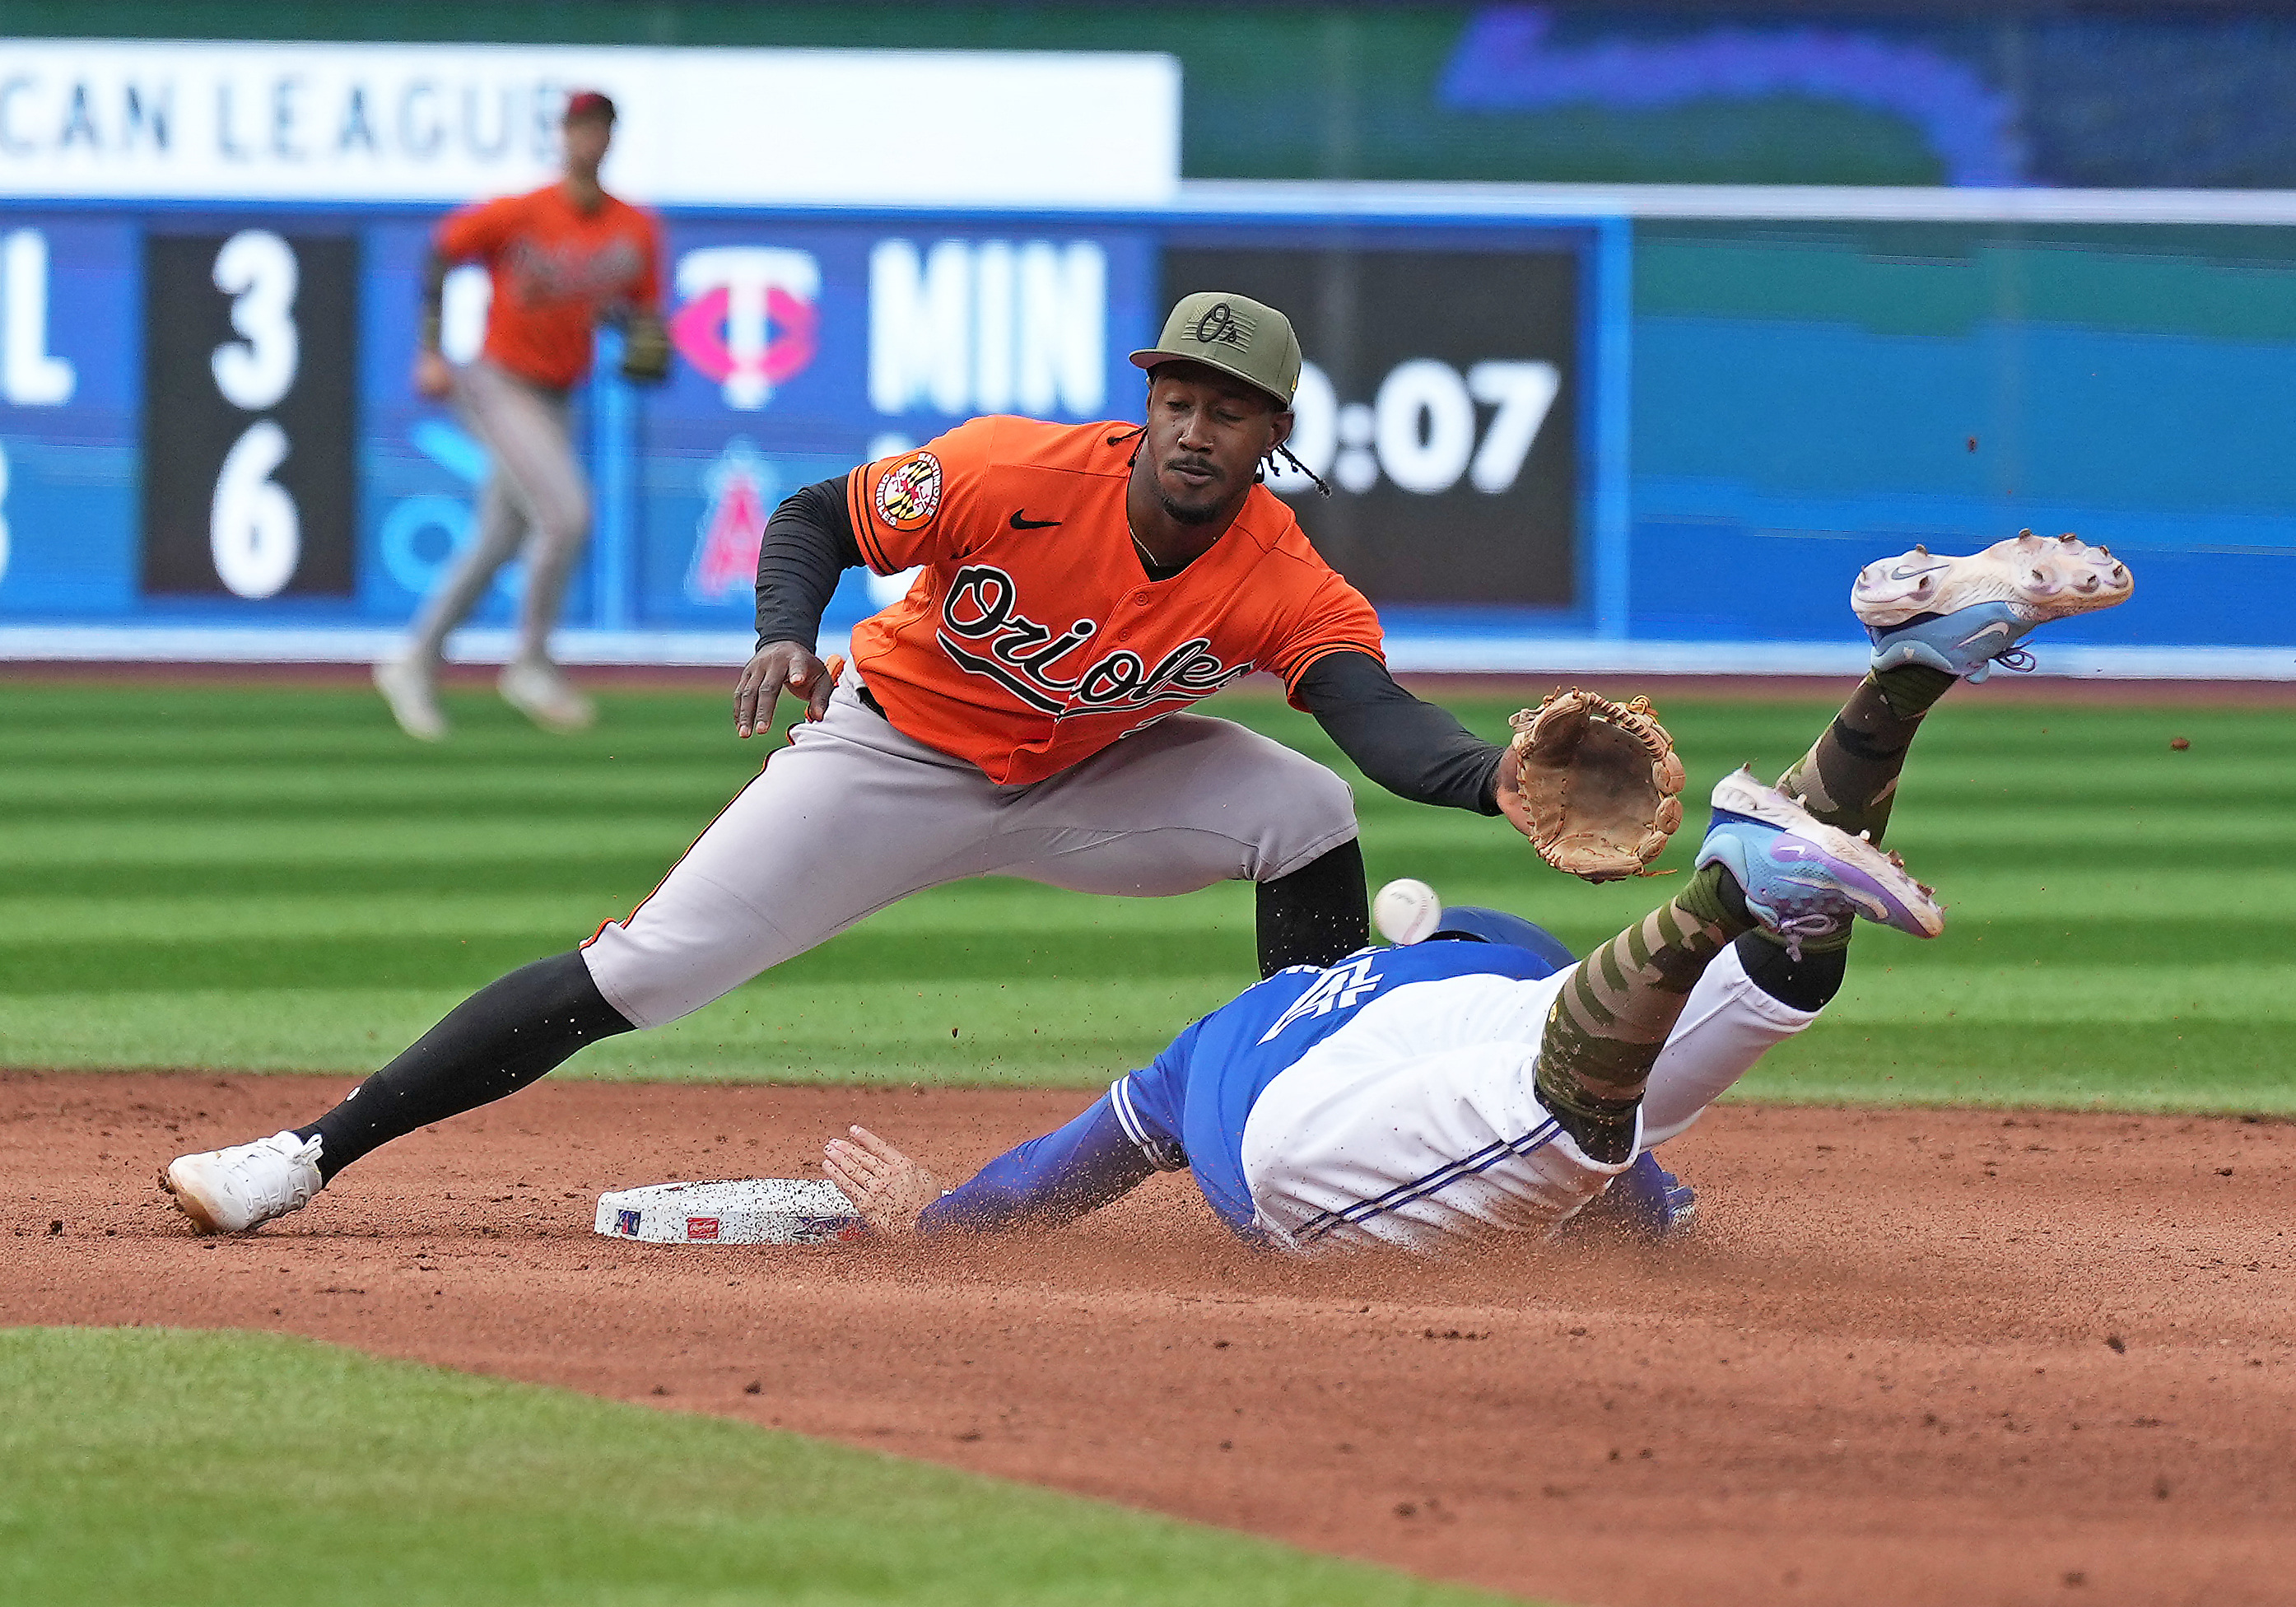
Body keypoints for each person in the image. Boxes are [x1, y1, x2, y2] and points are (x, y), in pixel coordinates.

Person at [165, 289, 1593, 1233]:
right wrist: (786, 632)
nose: (1193, 427)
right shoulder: (1012, 473)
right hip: (888, 755)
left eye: (1227, 410)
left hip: (1084, 781)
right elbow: (810, 516)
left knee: (1301, 802)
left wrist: (1489, 779)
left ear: (1274, 437)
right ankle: (300, 1155)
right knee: (642, 973)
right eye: (1177, 396)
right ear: (1146, 399)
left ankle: (1310, 1122)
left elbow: (1370, 711)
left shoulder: (1281, 579)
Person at [821, 533, 2135, 1252]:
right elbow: (1618, 1161)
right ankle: (1895, 682)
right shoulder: (1474, 958)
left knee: (1574, 1115)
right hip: (1489, 1020)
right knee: (1732, 1006)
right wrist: (1652, 1209)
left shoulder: (1202, 1061)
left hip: (1312, 1131)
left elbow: (1042, 1186)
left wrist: (929, 1226)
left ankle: (1733, 882)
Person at [374, 89, 670, 741]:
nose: (585, 138)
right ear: (561, 137)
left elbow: (635, 312)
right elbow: (443, 252)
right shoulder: (523, 212)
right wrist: (430, 350)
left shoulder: (634, 228)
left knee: (500, 539)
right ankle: (531, 663)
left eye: (596, 127)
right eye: (575, 126)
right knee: (566, 517)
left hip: (559, 393)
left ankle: (414, 662)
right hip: (498, 382)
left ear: (610, 138)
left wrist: (645, 338)